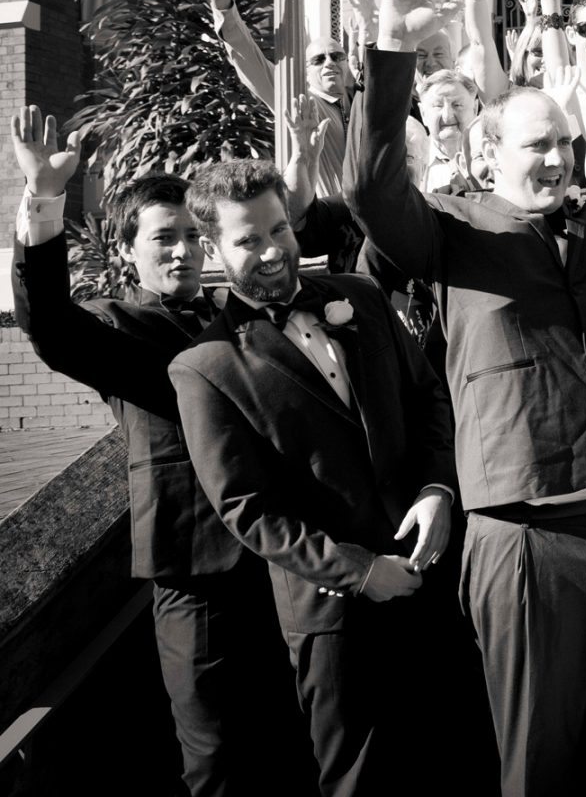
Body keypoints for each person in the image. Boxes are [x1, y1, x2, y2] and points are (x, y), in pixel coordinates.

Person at [345, 0, 586, 794]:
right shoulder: (447, 232)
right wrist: (388, 51)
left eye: (567, 143)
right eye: (539, 144)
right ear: (488, 153)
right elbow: (370, 189)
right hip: (522, 538)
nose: (559, 158)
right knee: (539, 761)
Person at [10, 109, 303, 797]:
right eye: (164, 239)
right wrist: (45, 199)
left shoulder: (243, 317)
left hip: (286, 560)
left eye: (193, 239)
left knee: (293, 741)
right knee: (218, 758)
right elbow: (48, 324)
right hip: (199, 577)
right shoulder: (123, 328)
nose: (182, 253)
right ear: (127, 253)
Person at [167, 159, 458, 797]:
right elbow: (247, 510)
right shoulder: (206, 367)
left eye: (279, 230)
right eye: (248, 240)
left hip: (434, 576)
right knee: (362, 781)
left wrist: (439, 488)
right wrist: (358, 571)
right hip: (335, 619)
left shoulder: (362, 298)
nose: (272, 251)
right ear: (214, 247)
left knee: (454, 757)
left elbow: (432, 401)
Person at [200, 0, 358, 198]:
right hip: (331, 225)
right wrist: (224, 7)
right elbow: (250, 59)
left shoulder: (363, 102)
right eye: (318, 59)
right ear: (305, 72)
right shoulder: (300, 103)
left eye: (337, 56)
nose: (329, 63)